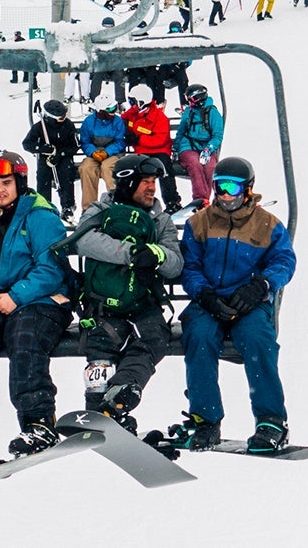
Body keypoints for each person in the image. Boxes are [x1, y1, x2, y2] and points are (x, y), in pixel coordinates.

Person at [170, 157, 297, 454]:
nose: (225, 195)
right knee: (199, 337)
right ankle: (206, 418)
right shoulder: (199, 223)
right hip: (210, 301)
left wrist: (260, 286)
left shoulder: (267, 224)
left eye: (232, 187)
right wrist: (203, 294)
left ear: (248, 189)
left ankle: (271, 420)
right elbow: (190, 266)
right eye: (220, 187)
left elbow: (284, 261)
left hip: (248, 302)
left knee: (257, 339)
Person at [0, 151, 74, 456]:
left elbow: (51, 268)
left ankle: (38, 422)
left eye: (6, 182)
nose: (0, 190)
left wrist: (17, 296)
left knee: (24, 339)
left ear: (20, 182)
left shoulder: (40, 216)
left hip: (42, 300)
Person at [66, 155, 182, 431]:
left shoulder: (161, 220)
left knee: (154, 338)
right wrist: (130, 253)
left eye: (153, 182)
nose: (152, 188)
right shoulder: (101, 209)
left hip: (143, 304)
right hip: (103, 306)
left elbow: (175, 265)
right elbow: (82, 240)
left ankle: (123, 391)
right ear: (128, 183)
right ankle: (98, 409)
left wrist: (156, 254)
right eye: (145, 182)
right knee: (102, 344)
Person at [22, 98, 79, 221]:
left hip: (64, 157)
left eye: (64, 116)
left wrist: (60, 153)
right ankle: (44, 205)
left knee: (66, 172)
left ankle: (68, 205)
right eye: (60, 118)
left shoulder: (68, 125)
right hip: (46, 158)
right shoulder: (40, 127)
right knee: (43, 174)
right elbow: (27, 144)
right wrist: (42, 148)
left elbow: (74, 146)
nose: (63, 119)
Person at [124, 96, 182, 212]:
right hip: (141, 151)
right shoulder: (133, 114)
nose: (132, 104)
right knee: (135, 171)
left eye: (133, 101)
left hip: (159, 150)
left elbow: (160, 139)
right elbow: (123, 119)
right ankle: (135, 201)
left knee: (164, 170)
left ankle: (172, 201)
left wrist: (138, 139)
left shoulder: (159, 117)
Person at [175, 84, 224, 208]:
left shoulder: (212, 113)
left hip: (206, 146)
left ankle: (213, 200)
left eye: (190, 99)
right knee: (195, 164)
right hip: (188, 145)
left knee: (210, 167)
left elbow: (217, 135)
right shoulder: (189, 112)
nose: (189, 103)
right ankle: (200, 199)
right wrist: (175, 147)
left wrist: (208, 149)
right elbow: (181, 130)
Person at [77, 101, 130, 210]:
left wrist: (107, 152)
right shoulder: (89, 122)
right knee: (86, 168)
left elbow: (120, 141)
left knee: (107, 167)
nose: (113, 112)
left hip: (113, 154)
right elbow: (85, 141)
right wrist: (93, 152)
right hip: (94, 153)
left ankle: (117, 202)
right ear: (101, 111)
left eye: (115, 108)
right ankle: (89, 208)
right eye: (110, 110)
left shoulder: (117, 122)